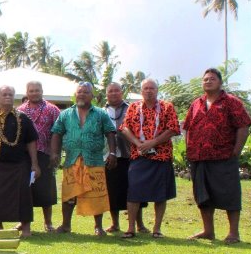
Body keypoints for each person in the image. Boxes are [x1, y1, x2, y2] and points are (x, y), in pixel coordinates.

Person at [183, 67, 251, 244]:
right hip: (199, 157)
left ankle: (233, 233)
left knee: (230, 194)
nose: (208, 81)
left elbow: (243, 126)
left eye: (212, 79)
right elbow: (188, 128)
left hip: (224, 156)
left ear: (220, 82)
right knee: (202, 195)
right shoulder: (196, 104)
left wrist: (236, 150)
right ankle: (208, 231)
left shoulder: (231, 102)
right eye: (205, 79)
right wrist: (189, 149)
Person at [50, 82, 117, 235]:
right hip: (72, 160)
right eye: (79, 92)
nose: (81, 95)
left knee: (96, 194)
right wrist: (55, 153)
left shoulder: (100, 114)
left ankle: (98, 226)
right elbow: (56, 133)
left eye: (85, 92)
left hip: (94, 160)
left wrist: (112, 153)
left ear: (92, 96)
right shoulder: (65, 114)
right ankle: (66, 225)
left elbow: (110, 133)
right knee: (69, 194)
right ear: (76, 94)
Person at [117, 79, 179, 239]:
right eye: (145, 88)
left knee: (161, 194)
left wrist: (153, 142)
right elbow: (124, 128)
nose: (149, 91)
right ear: (141, 90)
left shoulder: (167, 107)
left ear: (157, 90)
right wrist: (138, 143)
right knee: (134, 192)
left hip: (161, 156)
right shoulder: (133, 107)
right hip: (139, 156)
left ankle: (157, 229)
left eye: (152, 88)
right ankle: (131, 228)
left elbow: (173, 129)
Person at [0, 85, 40, 237]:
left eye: (10, 94)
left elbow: (31, 141)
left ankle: (26, 229)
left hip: (19, 164)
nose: (8, 97)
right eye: (4, 94)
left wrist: (35, 164)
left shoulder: (23, 118)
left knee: (24, 196)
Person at [17, 81, 60, 231]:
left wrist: (55, 152)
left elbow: (58, 132)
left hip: (45, 154)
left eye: (37, 90)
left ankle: (48, 222)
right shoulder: (20, 110)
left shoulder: (52, 109)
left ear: (42, 91)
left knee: (45, 189)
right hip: (25, 156)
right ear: (27, 92)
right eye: (31, 90)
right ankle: (24, 221)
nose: (34, 93)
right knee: (25, 189)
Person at [104, 82, 146, 233]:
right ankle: (115, 223)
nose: (114, 93)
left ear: (122, 93)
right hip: (109, 156)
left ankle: (139, 224)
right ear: (106, 94)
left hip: (131, 155)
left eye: (117, 91)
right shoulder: (101, 111)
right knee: (112, 191)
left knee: (135, 190)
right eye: (110, 91)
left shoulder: (133, 109)